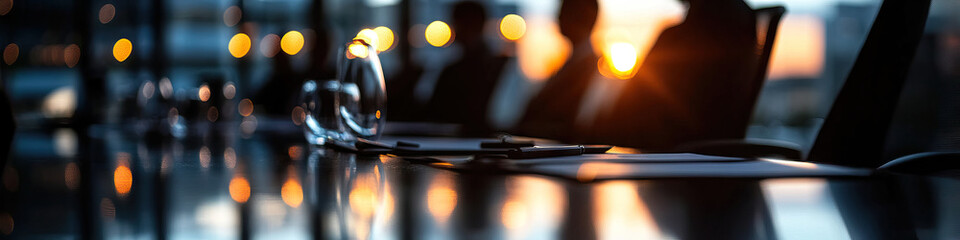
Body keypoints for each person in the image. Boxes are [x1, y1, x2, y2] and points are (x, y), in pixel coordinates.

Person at [592, 0, 759, 151]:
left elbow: (631, 104)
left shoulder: (694, 32)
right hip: (681, 152)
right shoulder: (735, 16)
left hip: (678, 154)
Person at [517, 0, 601, 141]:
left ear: (581, 16)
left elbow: (567, 123)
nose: (557, 18)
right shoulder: (574, 63)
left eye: (562, 12)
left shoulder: (590, 67)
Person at [427, 1, 508, 136]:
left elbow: (435, 112)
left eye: (455, 23)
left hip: (454, 138)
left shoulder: (458, 70)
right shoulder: (492, 64)